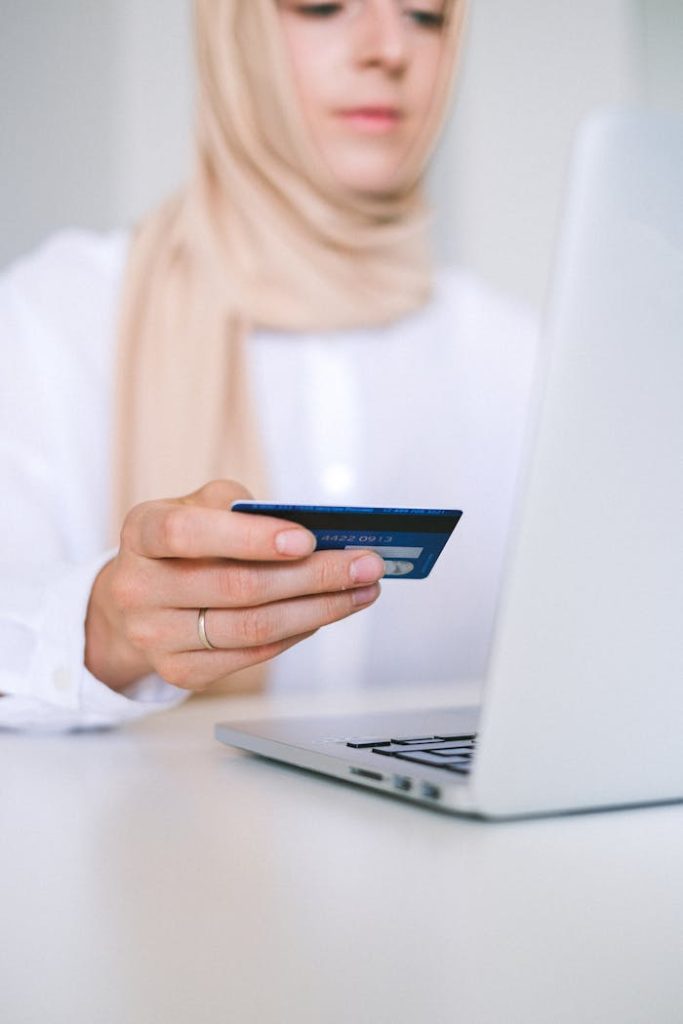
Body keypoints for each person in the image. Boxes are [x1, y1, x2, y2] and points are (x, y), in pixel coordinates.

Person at [0, 0, 537, 731]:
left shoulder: (522, 354)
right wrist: (103, 630)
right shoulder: (56, 315)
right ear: (234, 34)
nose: (389, 49)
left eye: (425, 15)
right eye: (322, 5)